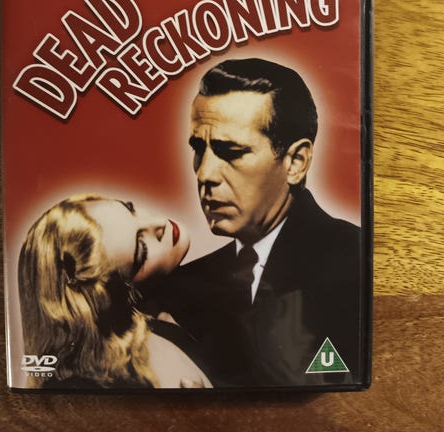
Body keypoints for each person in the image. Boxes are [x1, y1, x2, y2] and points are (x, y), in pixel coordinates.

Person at [161, 58, 361, 387]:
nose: (205, 174)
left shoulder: (356, 263)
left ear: (296, 162)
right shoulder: (178, 289)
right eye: (199, 149)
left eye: (231, 151)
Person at [18, 194, 211, 389]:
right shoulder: (141, 369)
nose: (160, 222)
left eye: (130, 209)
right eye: (143, 250)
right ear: (117, 299)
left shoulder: (176, 309)